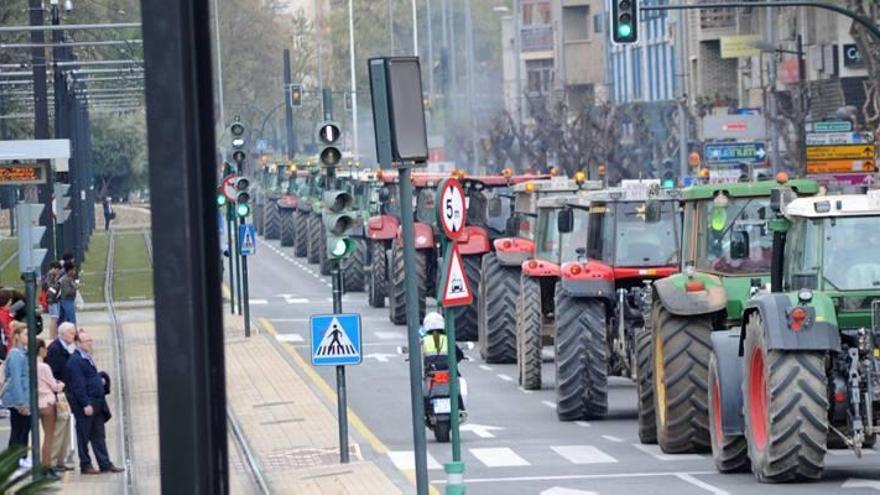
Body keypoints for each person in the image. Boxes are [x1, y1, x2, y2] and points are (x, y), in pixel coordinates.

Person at [66, 331, 123, 474]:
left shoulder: (86, 357)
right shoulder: (75, 361)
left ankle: (105, 463)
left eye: (90, 340)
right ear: (78, 343)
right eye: (86, 341)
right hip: (87, 404)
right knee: (84, 435)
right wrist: (85, 403)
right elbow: (78, 385)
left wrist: (100, 380)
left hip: (97, 402)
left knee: (99, 435)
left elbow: (89, 377)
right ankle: (85, 464)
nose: (89, 343)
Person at [46, 322, 76, 471]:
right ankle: (51, 462)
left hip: (65, 393)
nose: (73, 335)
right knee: (58, 430)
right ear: (62, 334)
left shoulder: (65, 348)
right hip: (59, 394)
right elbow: (54, 372)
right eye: (71, 333)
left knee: (65, 429)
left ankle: (60, 460)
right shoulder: (55, 350)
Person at [37, 338, 64, 474]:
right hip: (47, 403)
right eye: (45, 348)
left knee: (41, 435)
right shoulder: (44, 367)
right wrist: (61, 385)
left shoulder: (29, 365)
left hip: (36, 404)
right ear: (41, 350)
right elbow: (54, 386)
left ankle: (42, 465)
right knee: (49, 437)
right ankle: (46, 467)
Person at [3, 322, 30, 456]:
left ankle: (21, 459)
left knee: (24, 431)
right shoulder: (15, 354)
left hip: (25, 398)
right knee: (19, 432)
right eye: (26, 334)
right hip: (19, 401)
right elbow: (16, 380)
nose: (29, 336)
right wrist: (21, 403)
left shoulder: (24, 352)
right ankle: (14, 462)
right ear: (18, 336)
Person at [44, 261, 63, 339]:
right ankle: (52, 337)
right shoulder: (49, 276)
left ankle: (55, 335)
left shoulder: (53, 276)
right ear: (53, 269)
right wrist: (58, 284)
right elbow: (50, 288)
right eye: (57, 270)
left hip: (56, 299)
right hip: (52, 300)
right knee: (54, 318)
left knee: (56, 318)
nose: (58, 272)